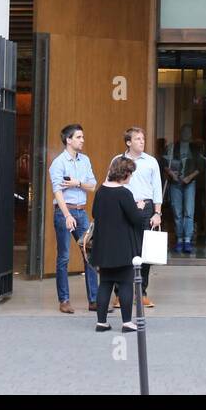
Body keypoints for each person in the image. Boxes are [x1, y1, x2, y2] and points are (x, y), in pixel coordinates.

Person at [91, 155, 154, 332]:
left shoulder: (101, 191)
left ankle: (101, 322)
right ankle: (127, 322)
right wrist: (140, 208)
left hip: (103, 246)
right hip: (123, 247)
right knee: (126, 283)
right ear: (124, 174)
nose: (131, 177)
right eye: (131, 174)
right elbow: (136, 219)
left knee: (105, 284)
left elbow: (95, 213)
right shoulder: (124, 193)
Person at [50, 123, 98, 314]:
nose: (82, 140)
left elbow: (93, 185)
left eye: (82, 137)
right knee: (64, 257)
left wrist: (78, 183)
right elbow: (58, 191)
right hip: (65, 212)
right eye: (79, 137)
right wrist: (67, 215)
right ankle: (64, 300)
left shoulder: (85, 160)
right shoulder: (58, 163)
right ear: (68, 140)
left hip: (82, 211)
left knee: (90, 254)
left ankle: (94, 300)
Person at [119, 126, 162, 307]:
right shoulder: (118, 161)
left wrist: (157, 213)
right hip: (124, 207)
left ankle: (141, 291)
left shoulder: (151, 162)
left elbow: (157, 188)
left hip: (146, 208)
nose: (142, 141)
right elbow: (111, 183)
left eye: (143, 139)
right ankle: (120, 293)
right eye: (137, 139)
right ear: (128, 142)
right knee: (122, 250)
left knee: (145, 251)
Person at [165, 124, 205, 254]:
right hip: (175, 183)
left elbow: (200, 167)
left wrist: (189, 177)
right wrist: (172, 174)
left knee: (189, 211)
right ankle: (179, 239)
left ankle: (187, 240)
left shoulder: (195, 148)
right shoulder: (172, 147)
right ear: (180, 133)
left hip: (190, 183)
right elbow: (165, 163)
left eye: (189, 132)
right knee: (177, 212)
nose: (187, 134)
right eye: (184, 131)